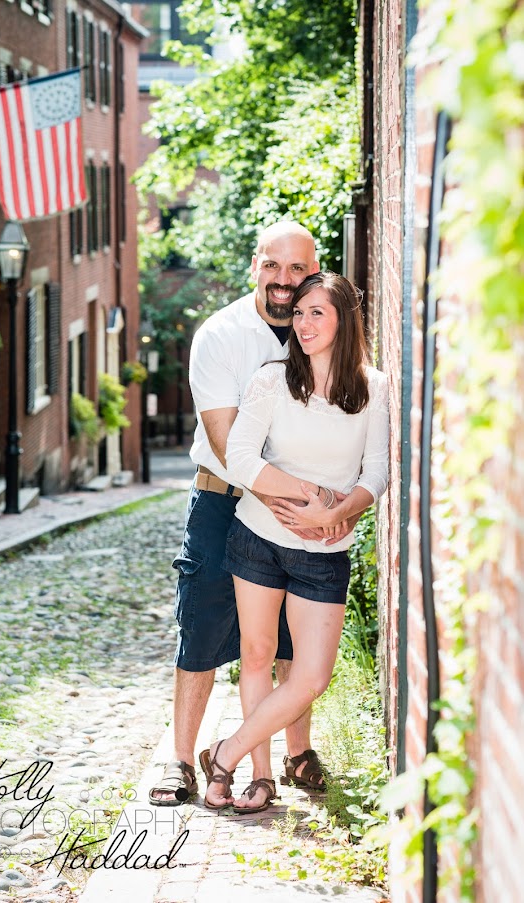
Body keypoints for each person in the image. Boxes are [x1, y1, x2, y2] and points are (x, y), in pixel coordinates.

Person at [149, 222, 354, 807]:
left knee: (290, 636)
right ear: (255, 267)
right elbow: (224, 442)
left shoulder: (325, 330)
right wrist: (302, 506)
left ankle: (296, 753)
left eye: (297, 268)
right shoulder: (221, 335)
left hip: (300, 509)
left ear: (314, 271)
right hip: (225, 501)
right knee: (202, 628)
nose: (284, 280)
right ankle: (181, 760)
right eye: (272, 265)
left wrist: (337, 506)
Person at [199, 271, 389, 812]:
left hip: (324, 553)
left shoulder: (374, 388)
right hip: (258, 537)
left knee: (312, 676)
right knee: (257, 655)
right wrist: (310, 496)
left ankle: (225, 753)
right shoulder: (272, 380)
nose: (302, 323)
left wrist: (339, 513)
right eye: (299, 313)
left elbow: (376, 471)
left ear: (344, 321)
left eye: (316, 313)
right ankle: (261, 776)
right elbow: (240, 457)